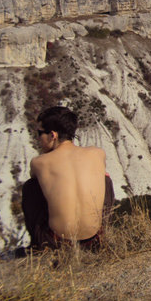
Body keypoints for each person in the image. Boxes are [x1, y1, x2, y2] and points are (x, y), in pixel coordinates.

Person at [20, 106, 114, 253]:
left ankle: (39, 246)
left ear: (52, 135)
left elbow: (38, 186)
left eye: (39, 133)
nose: (38, 138)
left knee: (31, 186)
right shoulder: (97, 153)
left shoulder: (39, 162)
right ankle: (104, 233)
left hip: (57, 242)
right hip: (93, 240)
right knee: (105, 179)